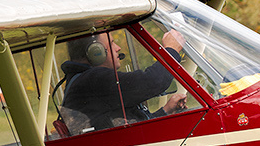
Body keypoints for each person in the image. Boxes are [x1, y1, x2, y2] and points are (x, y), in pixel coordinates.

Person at [59, 30, 188, 132]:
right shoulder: (92, 80)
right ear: (95, 52)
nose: (118, 48)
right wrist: (171, 50)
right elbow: (153, 81)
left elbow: (131, 129)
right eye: (111, 43)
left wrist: (165, 111)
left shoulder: (84, 81)